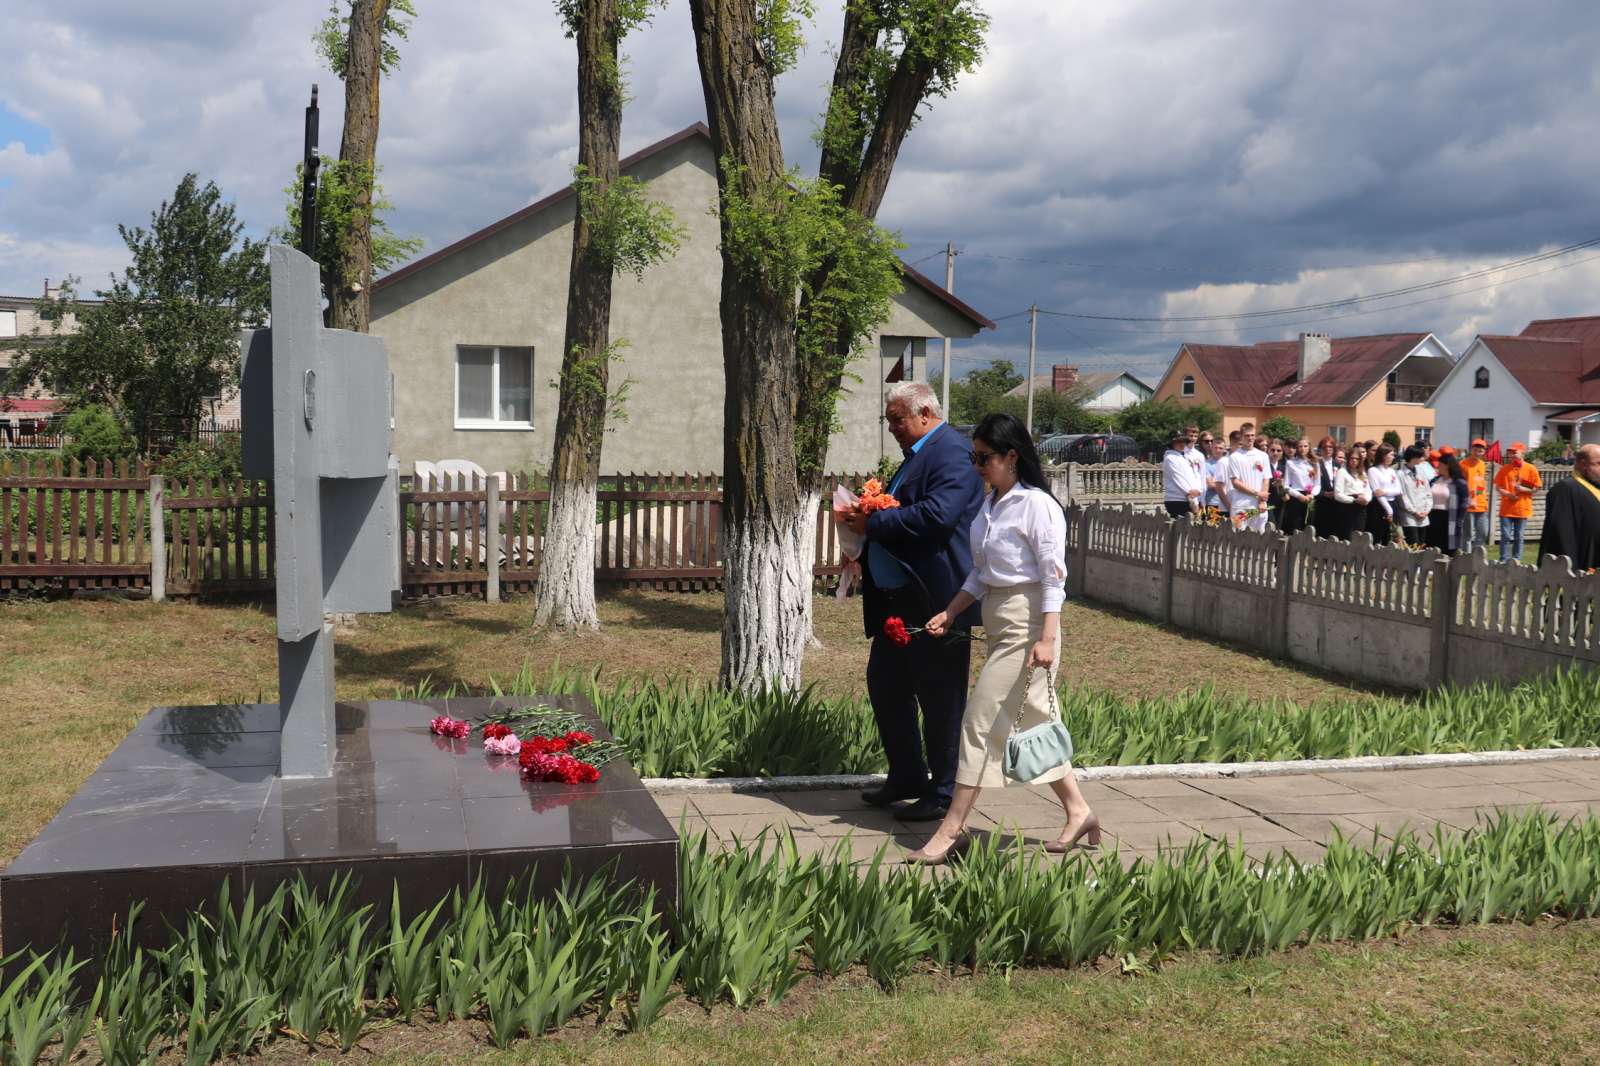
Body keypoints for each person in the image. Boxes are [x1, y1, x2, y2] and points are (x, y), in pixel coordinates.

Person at [914, 412, 1098, 864]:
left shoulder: (1037, 505)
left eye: (984, 457)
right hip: (999, 618)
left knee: (979, 722)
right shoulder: (990, 503)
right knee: (1034, 721)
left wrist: (1047, 638)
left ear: (1012, 456)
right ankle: (1080, 810)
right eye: (974, 456)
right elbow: (981, 573)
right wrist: (951, 611)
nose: (977, 465)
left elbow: (1055, 579)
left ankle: (951, 828)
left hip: (1028, 623)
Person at [844, 381, 984, 821]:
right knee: (887, 686)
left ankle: (943, 793)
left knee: (940, 697)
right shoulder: (920, 453)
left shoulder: (951, 453)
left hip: (936, 601)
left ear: (925, 412)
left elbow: (938, 516)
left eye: (897, 420)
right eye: (888, 421)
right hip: (897, 600)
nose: (893, 429)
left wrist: (874, 522)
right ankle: (906, 775)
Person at [1538, 444, 1600, 571]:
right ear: (1583, 464)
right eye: (1599, 463)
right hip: (1583, 565)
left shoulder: (1594, 486)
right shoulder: (1565, 489)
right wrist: (1571, 570)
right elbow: (1562, 535)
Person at [1494, 443, 1542, 563]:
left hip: (1522, 509)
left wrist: (1524, 489)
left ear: (1522, 453)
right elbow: (1498, 487)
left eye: (1514, 452)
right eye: (1510, 453)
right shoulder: (1504, 469)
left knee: (1519, 537)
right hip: (1506, 509)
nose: (1511, 455)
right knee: (1505, 537)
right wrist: (1508, 494)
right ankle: (1503, 560)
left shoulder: (1531, 469)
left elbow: (1537, 487)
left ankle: (1516, 561)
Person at [1224, 430, 1270, 532]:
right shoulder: (1234, 457)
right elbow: (1235, 483)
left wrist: (1262, 501)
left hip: (1258, 505)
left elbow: (1266, 479)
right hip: (1241, 505)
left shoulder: (1263, 456)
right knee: (1238, 538)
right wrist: (1257, 493)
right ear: (1241, 437)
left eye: (1252, 435)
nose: (1250, 438)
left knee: (1259, 538)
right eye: (1247, 435)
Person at [1427, 455, 1470, 555]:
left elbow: (1465, 501)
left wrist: (1459, 519)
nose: (1438, 466)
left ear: (1448, 466)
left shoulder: (1459, 482)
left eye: (1440, 464)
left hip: (1450, 518)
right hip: (1432, 516)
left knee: (1448, 548)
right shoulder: (1434, 480)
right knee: (1432, 546)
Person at [1162, 427, 1203, 519]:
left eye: (1183, 441)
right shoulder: (1170, 458)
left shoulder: (1186, 458)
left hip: (1189, 498)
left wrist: (1198, 490)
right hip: (1176, 499)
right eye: (1178, 442)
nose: (1182, 444)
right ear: (1172, 443)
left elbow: (1195, 475)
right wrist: (1190, 492)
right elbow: (1178, 478)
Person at [1396, 446, 1434, 546]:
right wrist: (1414, 512)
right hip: (1410, 516)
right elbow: (1402, 497)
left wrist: (1426, 510)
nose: (1422, 459)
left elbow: (1428, 492)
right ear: (1413, 457)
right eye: (1420, 456)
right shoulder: (1400, 474)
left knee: (1422, 545)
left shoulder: (1421, 471)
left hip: (1423, 515)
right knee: (1413, 545)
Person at [1366, 444, 1402, 546]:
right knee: (1378, 536)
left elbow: (1398, 490)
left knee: (1390, 537)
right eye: (1391, 455)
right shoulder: (1373, 470)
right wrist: (1388, 510)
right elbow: (1377, 492)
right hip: (1379, 506)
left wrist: (1385, 491)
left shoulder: (1391, 471)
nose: (1393, 457)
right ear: (1383, 455)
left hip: (1393, 503)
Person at [1332, 450, 1373, 539]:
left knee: (1359, 536)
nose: (1354, 460)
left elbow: (1368, 490)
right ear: (1348, 459)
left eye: (1357, 459)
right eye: (1352, 458)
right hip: (1347, 507)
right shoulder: (1342, 472)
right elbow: (1338, 494)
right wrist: (1353, 500)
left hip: (1361, 507)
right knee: (1346, 536)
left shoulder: (1362, 473)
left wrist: (1366, 499)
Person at [1460, 439, 1491, 554]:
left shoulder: (1482, 465)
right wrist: (1469, 499)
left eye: (1480, 450)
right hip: (1468, 505)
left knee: (1482, 533)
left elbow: (1480, 484)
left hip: (1481, 504)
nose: (1478, 452)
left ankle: (1477, 558)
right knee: (1467, 535)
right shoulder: (1463, 464)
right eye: (1475, 449)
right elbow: (1461, 485)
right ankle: (1466, 558)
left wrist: (1478, 498)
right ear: (1471, 450)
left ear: (1483, 452)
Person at [1282, 438, 1315, 535]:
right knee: (1295, 528)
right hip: (1296, 498)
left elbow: (1317, 484)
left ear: (1309, 448)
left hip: (1310, 497)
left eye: (1305, 446)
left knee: (1309, 527)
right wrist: (1298, 495)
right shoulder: (1291, 463)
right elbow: (1286, 485)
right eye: (1300, 446)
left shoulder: (1314, 463)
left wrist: (1312, 495)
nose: (1302, 449)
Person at [1313, 436, 1343, 538]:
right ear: (1320, 449)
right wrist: (1324, 494)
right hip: (1321, 504)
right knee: (1321, 534)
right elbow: (1312, 485)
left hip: (1335, 504)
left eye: (1330, 447)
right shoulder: (1316, 464)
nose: (1328, 449)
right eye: (1325, 447)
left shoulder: (1338, 465)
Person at [1265, 439, 1289, 529]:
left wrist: (1280, 486)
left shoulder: (1284, 467)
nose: (1275, 453)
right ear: (1268, 451)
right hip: (1268, 502)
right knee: (1271, 526)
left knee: (1278, 528)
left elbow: (1286, 493)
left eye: (1279, 450)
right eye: (1272, 450)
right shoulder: (1264, 466)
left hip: (1280, 502)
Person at [1203, 436, 1228, 512]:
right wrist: (1224, 483)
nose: (1217, 450)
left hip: (1228, 501)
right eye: (1215, 448)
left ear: (1224, 449)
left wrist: (1216, 481)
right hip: (1212, 502)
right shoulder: (1206, 464)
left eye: (1220, 448)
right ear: (1211, 448)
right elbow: (1210, 485)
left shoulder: (1229, 462)